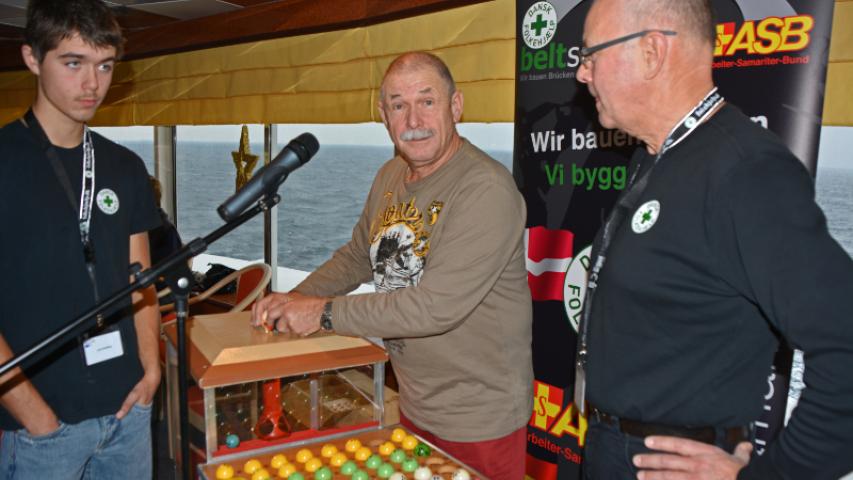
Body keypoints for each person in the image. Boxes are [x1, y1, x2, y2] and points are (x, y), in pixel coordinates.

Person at [573, 0, 853, 478]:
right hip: (610, 447)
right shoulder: (657, 157)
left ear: (651, 52)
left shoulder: (748, 172)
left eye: (590, 54)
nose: (582, 74)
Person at [252, 51, 533, 479]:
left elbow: (434, 307)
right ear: (384, 116)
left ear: (456, 106)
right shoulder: (389, 175)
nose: (413, 120)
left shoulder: (486, 190)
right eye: (399, 105)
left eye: (427, 101)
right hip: (415, 401)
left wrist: (321, 313)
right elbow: (358, 256)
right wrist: (293, 299)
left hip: (478, 418)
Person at [0, 1, 161, 478]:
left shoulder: (125, 167)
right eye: (74, 63)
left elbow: (141, 281)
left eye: (105, 66)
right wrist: (37, 418)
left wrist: (151, 370)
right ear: (32, 58)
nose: (92, 83)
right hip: (41, 428)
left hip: (128, 411)